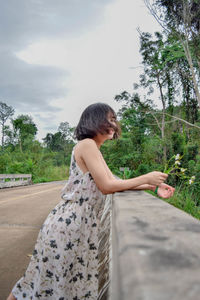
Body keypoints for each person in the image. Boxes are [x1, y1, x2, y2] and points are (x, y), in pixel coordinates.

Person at [7, 102, 174, 300]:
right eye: (109, 119)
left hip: (78, 226)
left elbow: (115, 182)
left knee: (40, 280)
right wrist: (146, 178)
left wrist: (152, 187)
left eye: (114, 120)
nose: (114, 124)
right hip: (70, 224)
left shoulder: (94, 148)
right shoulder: (87, 145)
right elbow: (106, 186)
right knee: (46, 282)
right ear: (95, 121)